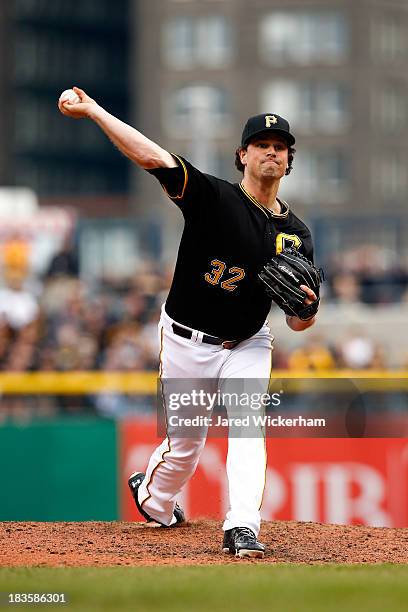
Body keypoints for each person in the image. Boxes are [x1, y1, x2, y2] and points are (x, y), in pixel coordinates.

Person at [58, 88, 319, 559]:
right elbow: (153, 157)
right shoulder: (213, 197)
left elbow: (301, 322)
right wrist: (96, 111)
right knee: (186, 446)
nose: (272, 152)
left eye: (280, 147)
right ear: (243, 155)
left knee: (247, 427)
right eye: (262, 144)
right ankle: (154, 497)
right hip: (186, 337)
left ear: (288, 161)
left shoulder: (296, 234)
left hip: (248, 341)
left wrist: (306, 308)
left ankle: (241, 526)